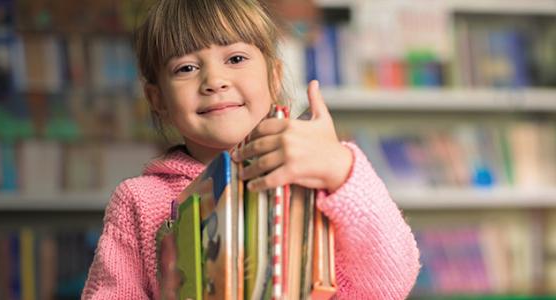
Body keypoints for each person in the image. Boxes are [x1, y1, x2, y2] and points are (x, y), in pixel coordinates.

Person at [82, 0, 420, 299]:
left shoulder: (317, 180)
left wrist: (341, 169)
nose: (214, 80)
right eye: (186, 68)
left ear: (274, 76)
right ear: (158, 100)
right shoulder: (138, 200)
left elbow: (390, 282)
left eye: (236, 58)